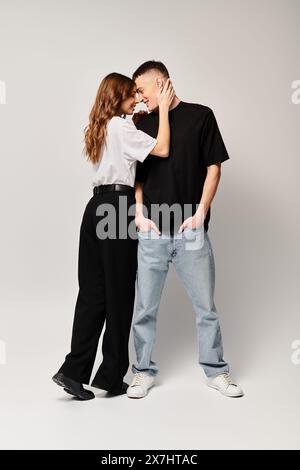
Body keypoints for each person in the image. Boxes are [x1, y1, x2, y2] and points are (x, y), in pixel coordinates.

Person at [52, 72, 175, 400]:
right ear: (117, 96)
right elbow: (162, 148)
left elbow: (122, 140)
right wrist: (162, 108)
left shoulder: (100, 126)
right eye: (130, 94)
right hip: (118, 209)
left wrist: (135, 117)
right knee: (119, 294)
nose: (136, 98)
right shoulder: (121, 127)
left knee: (92, 293)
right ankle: (110, 375)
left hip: (94, 208)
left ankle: (73, 371)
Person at [126, 61, 244, 399]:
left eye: (141, 89)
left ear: (161, 83)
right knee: (144, 307)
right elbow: (138, 177)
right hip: (152, 231)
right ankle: (142, 372)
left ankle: (216, 371)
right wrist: (138, 213)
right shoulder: (143, 122)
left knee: (205, 307)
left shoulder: (201, 116)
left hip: (191, 231)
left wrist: (201, 211)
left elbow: (213, 167)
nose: (138, 97)